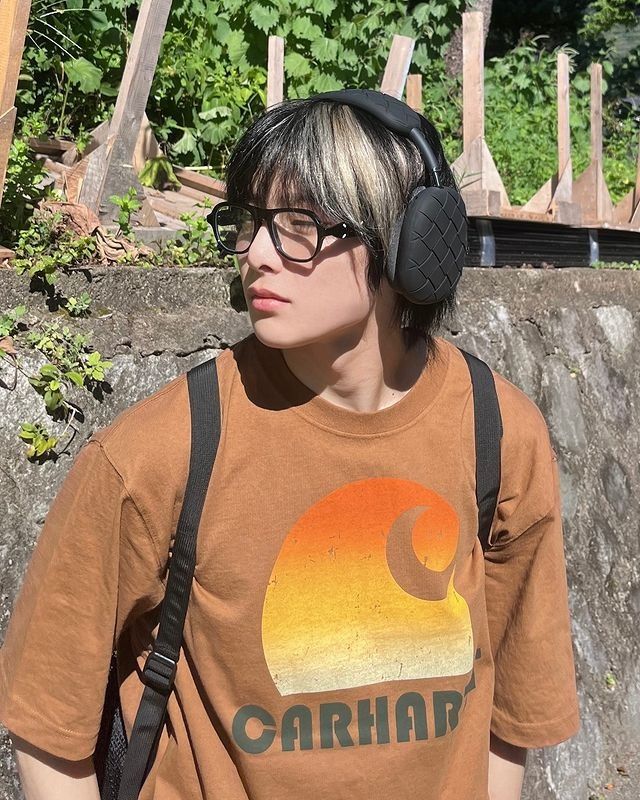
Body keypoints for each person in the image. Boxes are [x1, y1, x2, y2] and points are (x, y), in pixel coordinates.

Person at [0, 90, 579, 800]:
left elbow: (511, 721)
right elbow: (48, 729)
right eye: (249, 223)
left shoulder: (499, 434)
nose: (258, 255)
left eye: (298, 225)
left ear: (410, 241)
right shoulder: (159, 453)